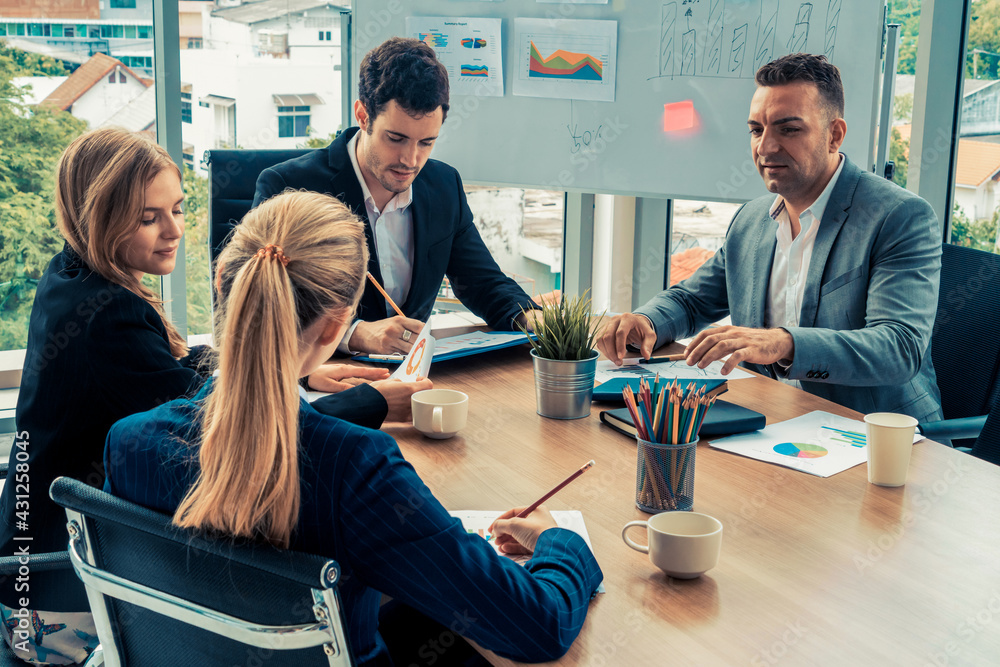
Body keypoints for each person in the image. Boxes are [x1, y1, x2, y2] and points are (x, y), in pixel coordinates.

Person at [103, 191, 603, 666]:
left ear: (222, 285)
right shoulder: (355, 468)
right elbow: (537, 626)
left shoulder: (127, 442)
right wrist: (559, 543)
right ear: (336, 325)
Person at [0, 129, 420, 664]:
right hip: (54, 598)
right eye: (148, 218)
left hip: (30, 555)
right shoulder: (108, 318)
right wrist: (378, 401)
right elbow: (226, 424)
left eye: (177, 208)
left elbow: (176, 373)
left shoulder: (75, 277)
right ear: (97, 217)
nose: (174, 230)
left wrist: (299, 372)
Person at [597, 54, 943, 422]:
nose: (765, 147)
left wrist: (783, 343)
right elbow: (692, 302)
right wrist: (646, 321)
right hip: (775, 421)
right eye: (757, 129)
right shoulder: (751, 219)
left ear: (835, 135)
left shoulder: (899, 216)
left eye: (788, 129)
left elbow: (899, 348)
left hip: (872, 438)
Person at [253, 37, 539, 357]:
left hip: (415, 381)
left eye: (426, 142)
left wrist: (530, 317)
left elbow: (484, 283)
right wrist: (355, 333)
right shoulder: (289, 186)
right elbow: (262, 304)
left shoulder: (444, 185)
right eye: (396, 138)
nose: (411, 160)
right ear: (363, 116)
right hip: (320, 381)